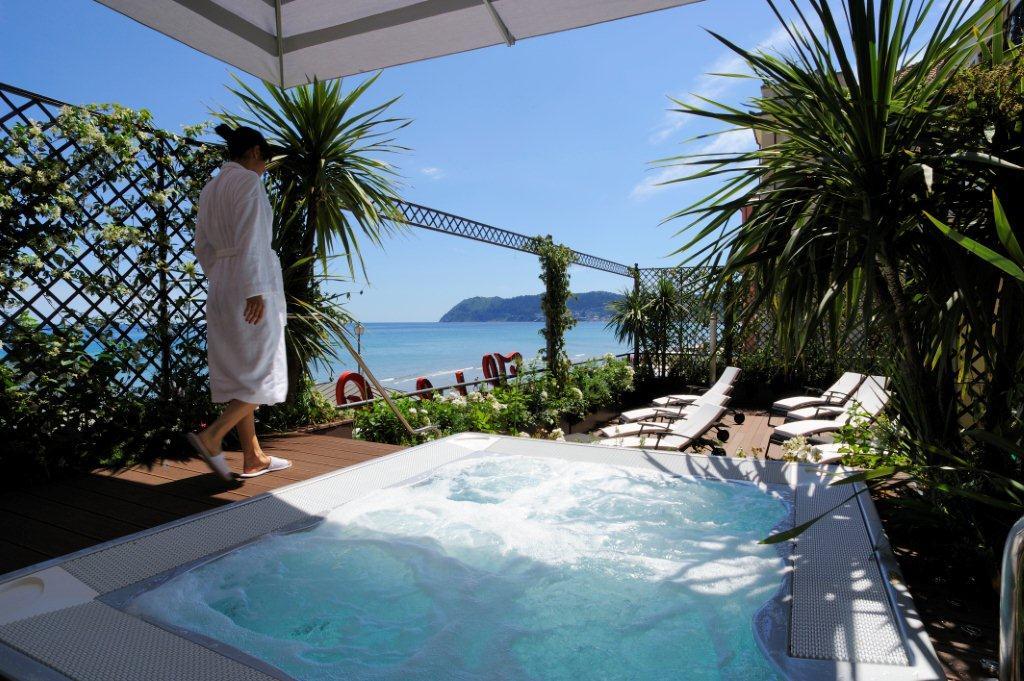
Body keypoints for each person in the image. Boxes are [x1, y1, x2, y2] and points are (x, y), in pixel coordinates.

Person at [186, 124, 292, 481]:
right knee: (264, 371)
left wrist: (222, 277)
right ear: (255, 152)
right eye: (265, 160)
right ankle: (212, 436)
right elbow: (252, 237)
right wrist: (253, 288)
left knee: (242, 372)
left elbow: (202, 245)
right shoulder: (247, 182)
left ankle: (253, 457)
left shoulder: (211, 188)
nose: (264, 168)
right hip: (251, 285)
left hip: (222, 283)